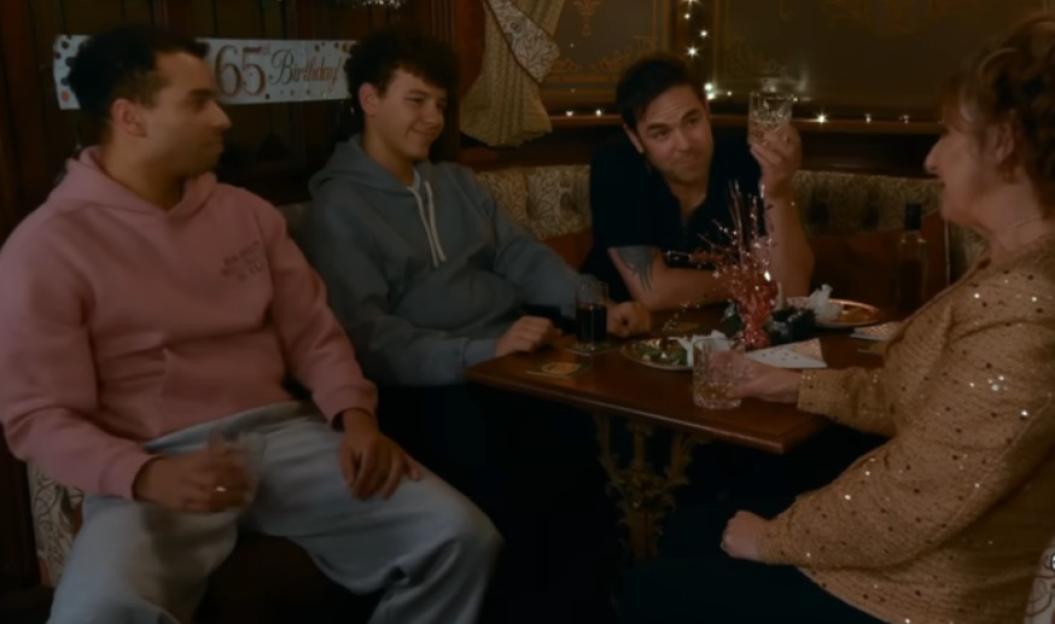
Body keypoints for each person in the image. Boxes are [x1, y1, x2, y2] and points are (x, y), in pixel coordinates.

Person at [0, 26, 499, 624]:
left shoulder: (245, 214)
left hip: (284, 437)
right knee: (94, 611)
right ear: (130, 117)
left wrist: (356, 417)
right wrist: (143, 473)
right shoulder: (47, 246)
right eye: (197, 103)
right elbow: (37, 416)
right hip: (151, 460)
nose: (221, 120)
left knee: (460, 535)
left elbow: (314, 335)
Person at [297, 27, 650, 623]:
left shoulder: (453, 182)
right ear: (369, 100)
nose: (434, 118)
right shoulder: (338, 209)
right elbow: (371, 340)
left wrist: (596, 302)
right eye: (417, 101)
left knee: (589, 443)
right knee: (509, 468)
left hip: (505, 361)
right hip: (426, 386)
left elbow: (520, 255)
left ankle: (595, 603)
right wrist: (480, 350)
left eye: (440, 104)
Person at [711, 13, 1055, 624]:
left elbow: (916, 497)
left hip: (916, 598)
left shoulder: (1026, 305)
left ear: (1003, 143)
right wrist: (792, 384)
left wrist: (773, 539)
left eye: (948, 132)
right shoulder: (1010, 267)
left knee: (665, 576)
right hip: (892, 561)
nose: (930, 158)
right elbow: (917, 400)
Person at [583, 54, 814, 309]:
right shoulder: (617, 163)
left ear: (707, 110)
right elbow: (655, 293)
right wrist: (753, 279)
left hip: (729, 336)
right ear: (634, 137)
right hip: (627, 335)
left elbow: (792, 290)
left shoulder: (746, 158)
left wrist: (778, 192)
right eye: (661, 133)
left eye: (692, 121)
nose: (684, 145)